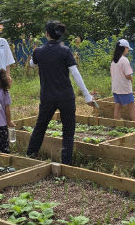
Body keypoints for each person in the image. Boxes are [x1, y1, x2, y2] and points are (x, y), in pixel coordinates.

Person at [26, 21, 96, 165]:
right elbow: (75, 74)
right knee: (68, 131)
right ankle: (66, 163)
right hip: (66, 97)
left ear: (46, 34)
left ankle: (30, 156)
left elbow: (32, 64)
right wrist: (87, 95)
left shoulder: (38, 51)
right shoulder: (65, 51)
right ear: (60, 35)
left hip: (47, 97)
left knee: (40, 127)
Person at [110, 39, 135, 122]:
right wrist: (131, 79)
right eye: (127, 49)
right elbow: (128, 75)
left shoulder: (114, 60)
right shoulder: (124, 60)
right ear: (123, 48)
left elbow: (112, 73)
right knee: (131, 107)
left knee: (118, 105)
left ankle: (117, 121)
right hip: (124, 88)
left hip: (116, 87)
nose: (128, 51)